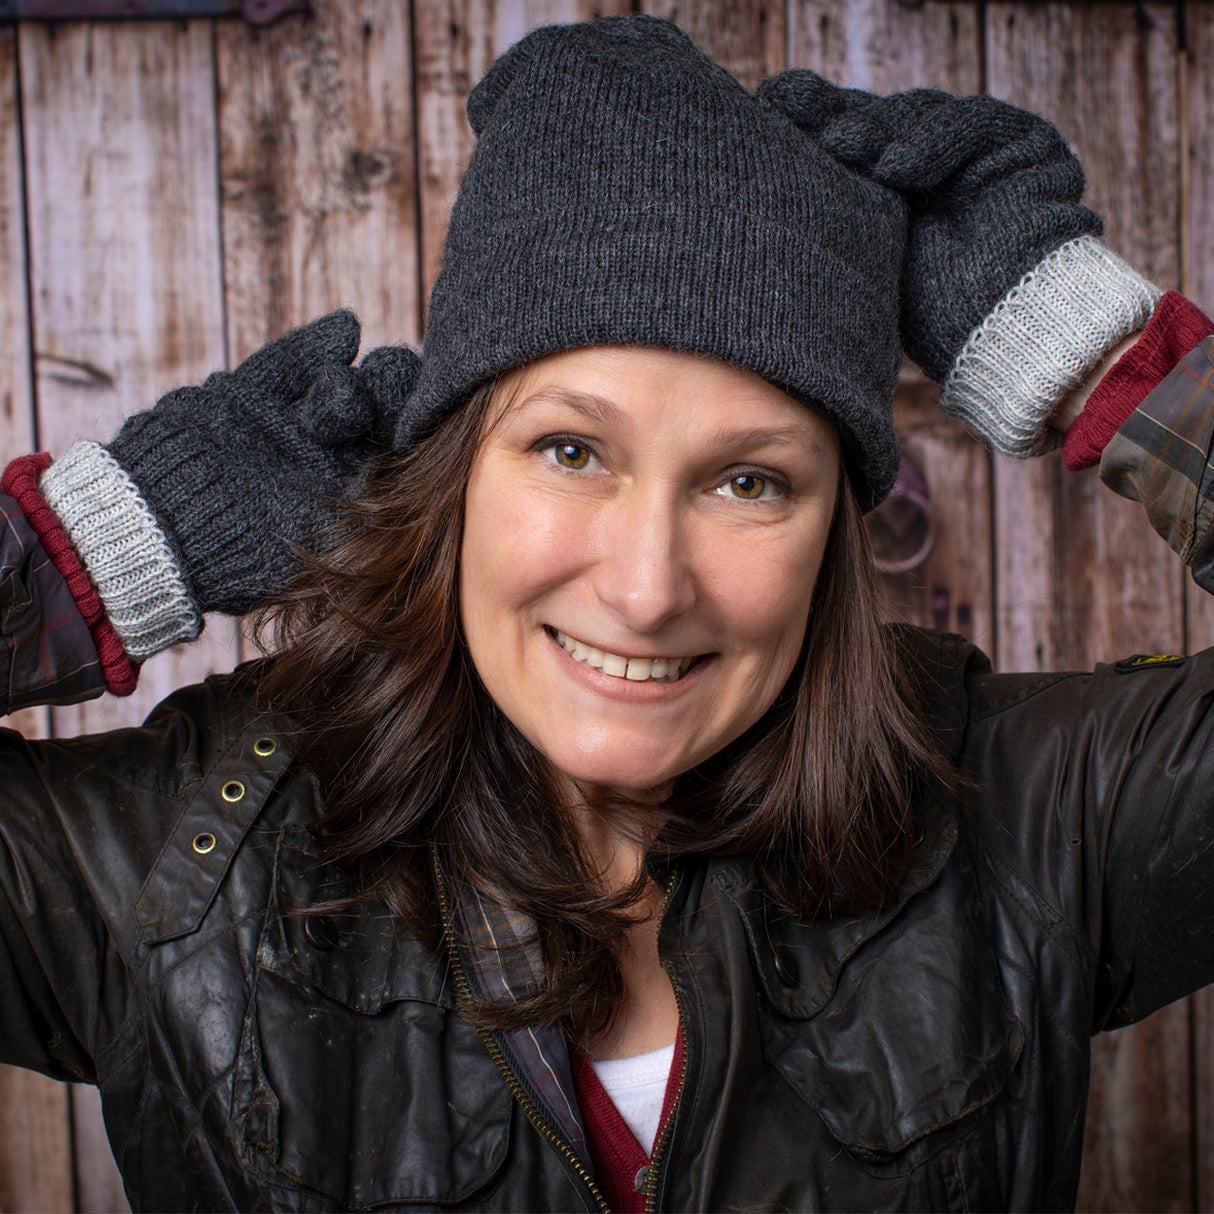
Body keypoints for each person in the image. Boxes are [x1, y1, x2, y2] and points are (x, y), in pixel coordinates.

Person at [2, 14, 1214, 1212]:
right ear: (453, 477)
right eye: (570, 451)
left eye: (749, 482)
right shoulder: (184, 861)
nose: (645, 588)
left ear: (831, 537)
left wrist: (1103, 361)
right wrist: (90, 550)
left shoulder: (1026, 816)